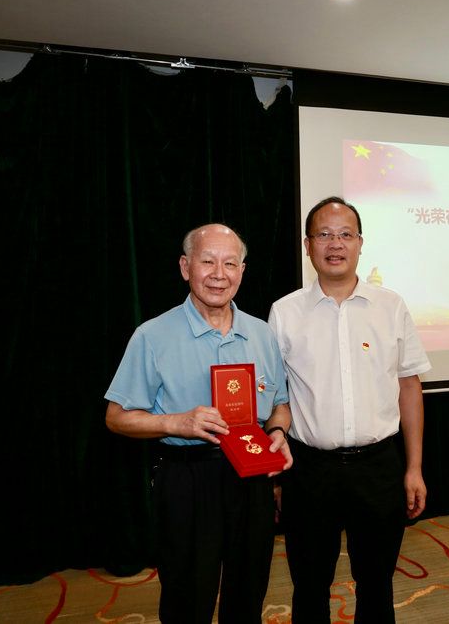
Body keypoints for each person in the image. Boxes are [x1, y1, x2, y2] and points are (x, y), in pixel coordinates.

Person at [105, 223, 292, 624]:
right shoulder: (152, 335)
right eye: (207, 261)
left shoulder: (262, 333)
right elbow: (116, 417)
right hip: (188, 478)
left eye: (230, 263)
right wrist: (176, 422)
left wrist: (278, 432)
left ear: (242, 270)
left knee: (249, 593)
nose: (219, 274)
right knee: (187, 599)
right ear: (185, 267)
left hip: (251, 479)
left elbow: (280, 404)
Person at [268, 197, 431, 623]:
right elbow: (275, 398)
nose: (335, 244)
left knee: (377, 584)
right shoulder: (284, 313)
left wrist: (413, 468)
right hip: (308, 471)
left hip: (378, 468)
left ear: (360, 243)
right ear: (308, 245)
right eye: (324, 234)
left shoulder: (391, 306)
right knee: (309, 586)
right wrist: (277, 477)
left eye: (345, 234)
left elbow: (409, 387)